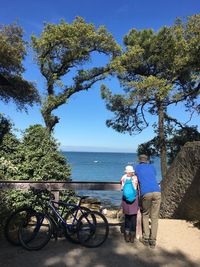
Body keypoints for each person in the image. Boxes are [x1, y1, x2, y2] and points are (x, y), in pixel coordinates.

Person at [135, 154, 161, 249]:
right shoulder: (152, 167)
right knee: (154, 217)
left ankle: (146, 238)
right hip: (157, 192)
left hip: (146, 192)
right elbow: (153, 176)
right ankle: (153, 241)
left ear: (139, 160)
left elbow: (136, 178)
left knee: (145, 214)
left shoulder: (137, 168)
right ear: (147, 160)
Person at [120, 165, 139, 243]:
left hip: (125, 200)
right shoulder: (135, 178)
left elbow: (121, 188)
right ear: (132, 172)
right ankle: (132, 237)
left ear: (126, 172)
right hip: (134, 200)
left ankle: (126, 237)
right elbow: (137, 187)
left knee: (127, 218)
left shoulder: (123, 178)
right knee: (133, 218)